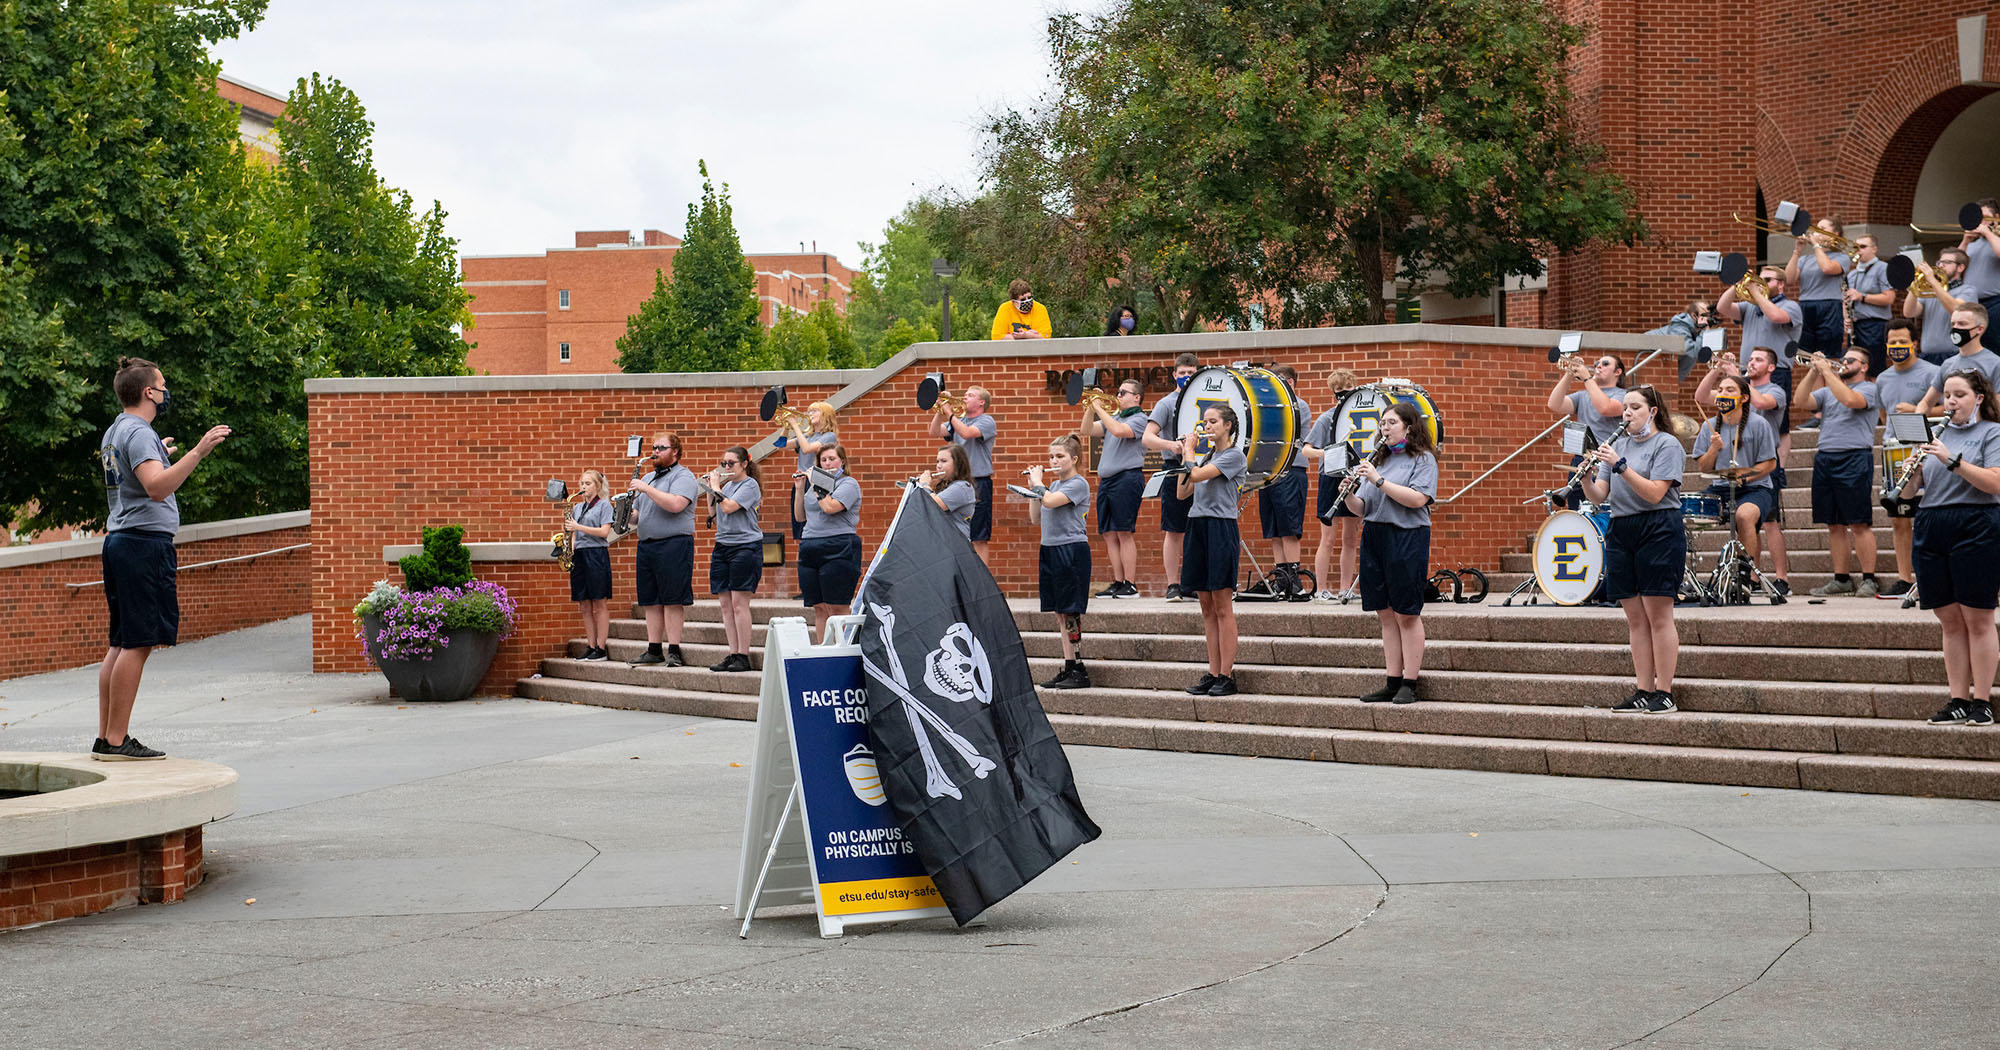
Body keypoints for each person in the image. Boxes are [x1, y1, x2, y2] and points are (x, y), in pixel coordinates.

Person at [94, 357, 231, 760]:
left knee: (120, 643)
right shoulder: (138, 432)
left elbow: (139, 477)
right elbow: (156, 487)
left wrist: (161, 453)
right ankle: (116, 740)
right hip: (142, 546)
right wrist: (197, 452)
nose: (166, 391)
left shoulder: (116, 430)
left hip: (121, 541)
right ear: (148, 392)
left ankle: (106, 737)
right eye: (162, 385)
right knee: (137, 643)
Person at [1897, 371, 2000, 725]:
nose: (1951, 402)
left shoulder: (1991, 432)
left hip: (1977, 522)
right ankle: (1958, 698)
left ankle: (1982, 701)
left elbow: (1995, 482)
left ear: (1979, 398)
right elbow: (1908, 495)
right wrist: (1909, 473)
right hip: (1932, 522)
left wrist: (1951, 460)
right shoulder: (1933, 436)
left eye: (1959, 394)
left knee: (1978, 617)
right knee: (1949, 619)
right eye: (1947, 395)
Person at [1579, 387, 1686, 714]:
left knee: (1658, 615)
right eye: (1624, 407)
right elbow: (1600, 496)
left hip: (1658, 527)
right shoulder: (1618, 446)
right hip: (1622, 527)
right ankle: (1643, 689)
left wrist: (1620, 465)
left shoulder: (1667, 444)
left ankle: (1664, 692)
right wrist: (1585, 477)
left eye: (1635, 407)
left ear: (1652, 411)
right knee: (1635, 618)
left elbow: (1654, 493)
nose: (1627, 413)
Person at [1345, 402, 1439, 705]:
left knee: (1406, 613)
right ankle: (1392, 680)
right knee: (1384, 613)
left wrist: (1379, 480)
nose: (1385, 428)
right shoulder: (1379, 459)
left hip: (1407, 536)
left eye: (1391, 423)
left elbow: (1418, 499)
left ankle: (1410, 682)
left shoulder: (1423, 459)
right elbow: (1363, 507)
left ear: (1408, 427)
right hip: (1375, 535)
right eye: (1382, 423)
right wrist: (1347, 494)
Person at [1700, 346, 1793, 592]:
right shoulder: (1716, 416)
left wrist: (1735, 376)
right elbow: (1701, 396)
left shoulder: (1774, 391)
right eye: (1750, 358)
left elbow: (1759, 401)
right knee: (1744, 523)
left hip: (1760, 471)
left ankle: (1778, 577)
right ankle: (1749, 577)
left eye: (1758, 359)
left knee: (1766, 522)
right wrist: (1718, 370)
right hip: (1727, 477)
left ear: (1771, 367)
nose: (1751, 362)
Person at [1799, 348, 1882, 596]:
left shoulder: (1870, 389)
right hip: (1826, 457)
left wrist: (1827, 371)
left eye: (1850, 360)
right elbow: (1801, 401)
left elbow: (1850, 400)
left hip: (1854, 456)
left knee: (1859, 522)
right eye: (1843, 359)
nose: (1844, 362)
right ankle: (1841, 578)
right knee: (1834, 524)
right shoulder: (1827, 391)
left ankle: (1869, 579)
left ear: (1864, 366)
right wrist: (1814, 371)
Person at [1177, 405, 1246, 695]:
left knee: (1221, 604)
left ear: (1228, 425)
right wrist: (1184, 455)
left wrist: (1189, 453)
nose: (1207, 426)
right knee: (1206, 606)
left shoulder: (1233, 455)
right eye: (1205, 421)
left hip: (1220, 527)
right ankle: (1213, 671)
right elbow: (1182, 491)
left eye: (1213, 421)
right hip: (1197, 525)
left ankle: (1226, 675)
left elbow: (1197, 476)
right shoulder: (1205, 457)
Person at [1874, 322, 1940, 599]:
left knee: (1929, 517)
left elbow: (1950, 407)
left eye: (1903, 341)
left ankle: (1932, 577)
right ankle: (1904, 579)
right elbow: (1883, 414)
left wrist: (1918, 410)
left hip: (1927, 451)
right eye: (1893, 342)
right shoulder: (1882, 378)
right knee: (1899, 519)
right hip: (1894, 453)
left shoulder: (1933, 372)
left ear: (1915, 343)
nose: (1897, 347)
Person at [1691, 374, 1779, 579]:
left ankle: (1744, 576)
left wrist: (1744, 477)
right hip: (1720, 488)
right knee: (1683, 513)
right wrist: (1713, 448)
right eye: (1720, 390)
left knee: (1743, 516)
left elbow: (1770, 463)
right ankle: (1684, 574)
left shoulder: (1759, 424)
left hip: (1755, 488)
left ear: (1744, 398)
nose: (1723, 394)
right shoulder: (1708, 426)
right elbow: (1703, 467)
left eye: (1730, 390)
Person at [1027, 434, 1094, 689]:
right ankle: (1069, 666)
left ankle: (1079, 668)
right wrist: (1033, 490)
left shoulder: (1078, 484)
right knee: (1059, 612)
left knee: (1070, 611)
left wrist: (1039, 485)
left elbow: (1051, 501)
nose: (1053, 461)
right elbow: (1036, 518)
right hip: (1050, 549)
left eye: (1059, 456)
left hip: (1071, 550)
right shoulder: (1052, 485)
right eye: (1051, 456)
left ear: (1074, 459)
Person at [628, 432, 698, 667]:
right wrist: (624, 511)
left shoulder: (684, 476)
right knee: (650, 600)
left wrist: (645, 489)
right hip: (647, 544)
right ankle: (654, 649)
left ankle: (674, 650)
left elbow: (676, 504)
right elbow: (637, 516)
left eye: (661, 448)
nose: (655, 452)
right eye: (654, 447)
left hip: (674, 544)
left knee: (672, 599)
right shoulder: (648, 477)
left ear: (675, 451)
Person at [1080, 376, 1146, 596]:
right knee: (1108, 533)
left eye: (1123, 393)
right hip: (1107, 481)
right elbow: (1086, 430)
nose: (1118, 396)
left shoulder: (1140, 419)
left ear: (1136, 397)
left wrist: (1100, 408)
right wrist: (1091, 406)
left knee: (1124, 532)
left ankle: (1130, 583)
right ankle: (1118, 582)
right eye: (1118, 392)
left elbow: (1118, 431)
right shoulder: (1114, 417)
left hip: (1127, 478)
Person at [1143, 353, 1202, 599]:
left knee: (1198, 528)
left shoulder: (1205, 399)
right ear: (1174, 374)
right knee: (1174, 529)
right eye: (1182, 373)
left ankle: (1193, 582)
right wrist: (1171, 445)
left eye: (1191, 373)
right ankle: (1173, 584)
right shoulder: (1166, 403)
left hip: (1202, 469)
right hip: (1175, 467)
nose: (1186, 377)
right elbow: (1147, 437)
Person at [1716, 261, 1802, 426]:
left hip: (1776, 371)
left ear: (1781, 284)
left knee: (1779, 426)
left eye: (1768, 280)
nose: (1762, 283)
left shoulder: (1790, 306)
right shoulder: (1750, 306)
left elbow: (1775, 316)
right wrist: (1737, 283)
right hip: (1747, 371)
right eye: (1760, 279)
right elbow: (1722, 307)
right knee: (1744, 420)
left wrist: (1756, 292)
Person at [1303, 369, 1363, 602]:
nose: (1343, 395)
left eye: (1348, 391)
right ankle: (1321, 589)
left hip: (1354, 477)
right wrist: (1329, 453)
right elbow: (1306, 450)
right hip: (1331, 477)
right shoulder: (1327, 418)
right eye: (1339, 392)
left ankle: (1346, 588)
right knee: (1328, 538)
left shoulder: (1363, 415)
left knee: (1351, 538)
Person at [795, 444, 862, 642]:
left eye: (832, 459)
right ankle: (823, 651)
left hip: (838, 545)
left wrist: (817, 485)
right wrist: (799, 489)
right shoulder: (814, 487)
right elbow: (800, 517)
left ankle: (841, 649)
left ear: (842, 461)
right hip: (810, 545)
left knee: (837, 606)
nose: (827, 463)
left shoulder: (848, 484)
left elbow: (830, 507)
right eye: (823, 460)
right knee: (819, 606)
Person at [704, 447, 762, 672]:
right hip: (723, 546)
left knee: (739, 603)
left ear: (744, 464)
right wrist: (709, 490)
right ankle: (732, 652)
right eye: (724, 463)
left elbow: (728, 507)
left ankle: (743, 655)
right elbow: (714, 515)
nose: (726, 467)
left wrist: (716, 487)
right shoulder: (726, 487)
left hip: (745, 546)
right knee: (725, 604)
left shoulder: (750, 485)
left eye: (731, 463)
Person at [928, 385, 998, 567]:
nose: (965, 397)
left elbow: (967, 433)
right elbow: (934, 432)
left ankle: (981, 579)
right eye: (965, 394)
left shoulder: (986, 421)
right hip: (958, 483)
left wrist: (949, 412)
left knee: (979, 536)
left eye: (970, 395)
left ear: (981, 402)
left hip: (979, 483)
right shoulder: (958, 420)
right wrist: (940, 410)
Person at [1545, 352, 1625, 509]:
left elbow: (1605, 408)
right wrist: (1569, 373)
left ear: (1618, 372)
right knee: (1576, 510)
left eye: (1605, 364)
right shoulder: (1582, 395)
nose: (1598, 366)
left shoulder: (1623, 395)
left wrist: (1587, 379)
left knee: (1602, 511)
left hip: (1607, 461)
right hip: (1582, 460)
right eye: (1596, 364)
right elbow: (1554, 404)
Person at [1255, 364, 1310, 594]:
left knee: (1289, 528)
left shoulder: (1298, 405)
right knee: (1274, 530)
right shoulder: (1268, 406)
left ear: (1289, 382)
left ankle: (1295, 580)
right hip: (1268, 472)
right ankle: (1282, 577)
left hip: (1290, 470)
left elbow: (1282, 432)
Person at [562, 469, 616, 661]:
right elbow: (574, 535)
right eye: (582, 483)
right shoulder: (577, 508)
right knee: (584, 604)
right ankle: (590, 645)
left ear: (598, 486)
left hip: (596, 554)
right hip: (580, 555)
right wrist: (569, 551)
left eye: (588, 483)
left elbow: (604, 532)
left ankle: (601, 648)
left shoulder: (604, 505)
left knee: (599, 603)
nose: (583, 487)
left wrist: (578, 527)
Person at [1786, 217, 1851, 365]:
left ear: (1834, 234)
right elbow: (1789, 279)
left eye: (1822, 229)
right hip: (1805, 306)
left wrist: (1816, 245)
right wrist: (1797, 251)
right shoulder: (1805, 259)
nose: (1816, 232)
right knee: (1807, 356)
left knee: (1829, 356)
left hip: (1829, 306)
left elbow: (1827, 268)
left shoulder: (1842, 257)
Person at [1903, 249, 1982, 367]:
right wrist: (1915, 284)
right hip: (1927, 356)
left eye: (1947, 262)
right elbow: (1909, 313)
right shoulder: (1930, 290)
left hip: (1954, 355)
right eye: (1939, 262)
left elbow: (1956, 310)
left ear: (1960, 267)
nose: (1941, 266)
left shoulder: (1968, 290)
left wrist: (1933, 281)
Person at [1916, 305, 2000, 415]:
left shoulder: (1995, 364)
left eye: (1962, 324)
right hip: (1953, 425)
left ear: (1980, 329)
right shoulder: (1948, 364)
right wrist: (1918, 416)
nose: (1955, 328)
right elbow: (1926, 403)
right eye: (1953, 324)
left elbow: (1997, 408)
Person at [783, 401, 838, 540]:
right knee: (800, 523)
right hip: (801, 481)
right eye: (809, 411)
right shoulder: (807, 436)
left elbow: (807, 449)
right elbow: (780, 445)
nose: (810, 414)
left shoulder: (829, 436)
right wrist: (786, 427)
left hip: (817, 480)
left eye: (814, 410)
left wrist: (795, 425)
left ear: (825, 415)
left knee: (815, 519)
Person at [1844, 234, 1894, 377]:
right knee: (1854, 368)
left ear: (1874, 249)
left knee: (1874, 368)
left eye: (1863, 247)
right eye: (1856, 247)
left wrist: (1862, 297)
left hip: (1875, 326)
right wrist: (1846, 318)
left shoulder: (1882, 268)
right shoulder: (1852, 274)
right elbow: (1845, 300)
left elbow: (1889, 298)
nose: (1858, 250)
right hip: (1856, 326)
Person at [917, 443, 976, 540]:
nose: (939, 466)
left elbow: (932, 505)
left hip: (955, 544)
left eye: (944, 461)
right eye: (937, 461)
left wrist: (924, 485)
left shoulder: (962, 487)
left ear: (957, 464)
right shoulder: (946, 486)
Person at [1959, 197, 2000, 320]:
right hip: (1970, 302)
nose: (1981, 222)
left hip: (1994, 302)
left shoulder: (1996, 241)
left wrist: (1987, 232)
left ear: (1996, 218)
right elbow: (1956, 264)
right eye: (1978, 218)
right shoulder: (1972, 245)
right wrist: (1965, 241)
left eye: (1985, 217)